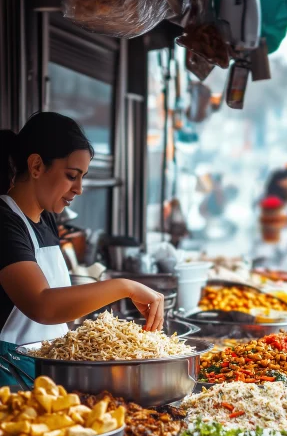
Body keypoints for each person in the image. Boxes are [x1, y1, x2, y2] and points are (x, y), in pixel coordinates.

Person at [0, 111, 164, 385]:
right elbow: (43, 305)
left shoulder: (47, 217)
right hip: (12, 380)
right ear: (37, 166)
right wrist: (124, 286)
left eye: (82, 177)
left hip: (47, 370)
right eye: (71, 175)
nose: (79, 188)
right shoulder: (5, 222)